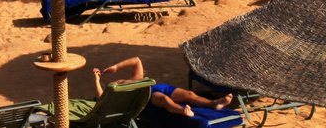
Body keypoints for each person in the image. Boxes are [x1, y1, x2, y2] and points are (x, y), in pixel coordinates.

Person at [93, 57, 234, 121]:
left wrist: (116, 67)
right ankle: (182, 111)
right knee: (164, 100)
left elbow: (136, 60)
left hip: (158, 87)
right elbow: (101, 98)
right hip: (145, 96)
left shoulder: (137, 77)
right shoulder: (115, 89)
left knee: (189, 94)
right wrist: (97, 80)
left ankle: (214, 103)